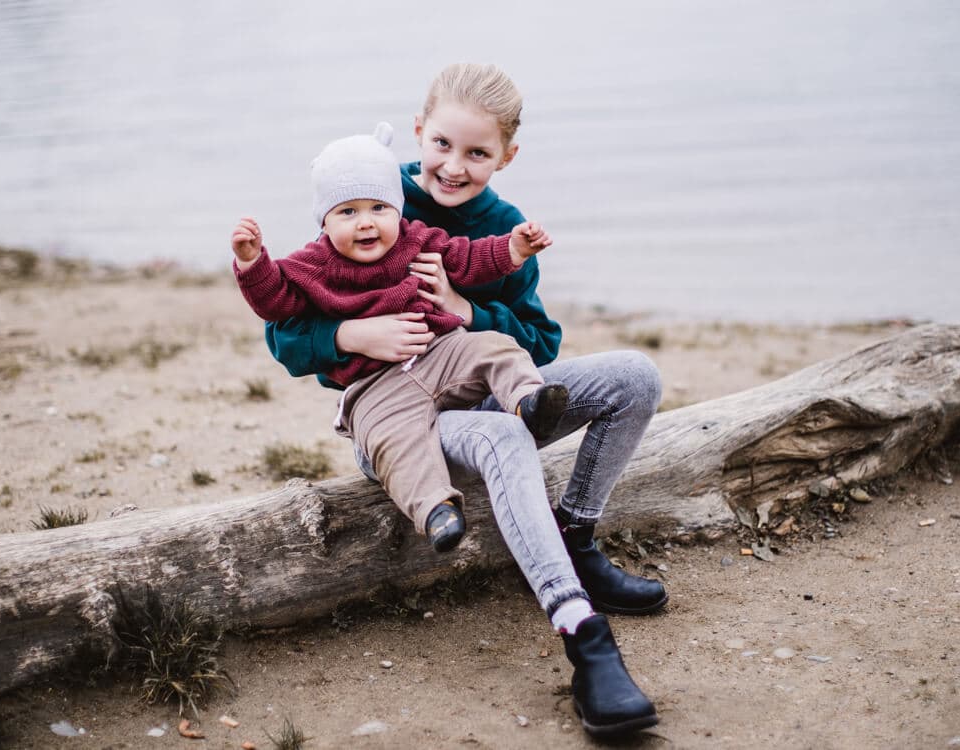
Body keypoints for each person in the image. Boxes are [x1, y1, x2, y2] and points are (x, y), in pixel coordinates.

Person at [264, 64, 667, 738]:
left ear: (506, 156)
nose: (454, 167)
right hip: (398, 429)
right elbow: (285, 331)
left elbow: (540, 341)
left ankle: (574, 537)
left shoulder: (504, 229)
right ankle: (583, 636)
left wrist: (465, 308)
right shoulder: (368, 195)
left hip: (483, 389)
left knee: (636, 376)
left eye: (477, 154)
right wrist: (349, 333)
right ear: (419, 132)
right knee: (504, 439)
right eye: (442, 146)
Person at [231, 122, 570, 554]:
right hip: (376, 385)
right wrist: (252, 264)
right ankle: (436, 510)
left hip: (441, 352)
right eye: (347, 212)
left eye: (378, 208)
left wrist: (513, 250)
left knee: (493, 346)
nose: (366, 223)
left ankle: (529, 402)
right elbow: (277, 300)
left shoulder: (418, 241)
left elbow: (469, 260)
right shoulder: (314, 263)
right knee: (396, 439)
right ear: (324, 221)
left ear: (397, 208)